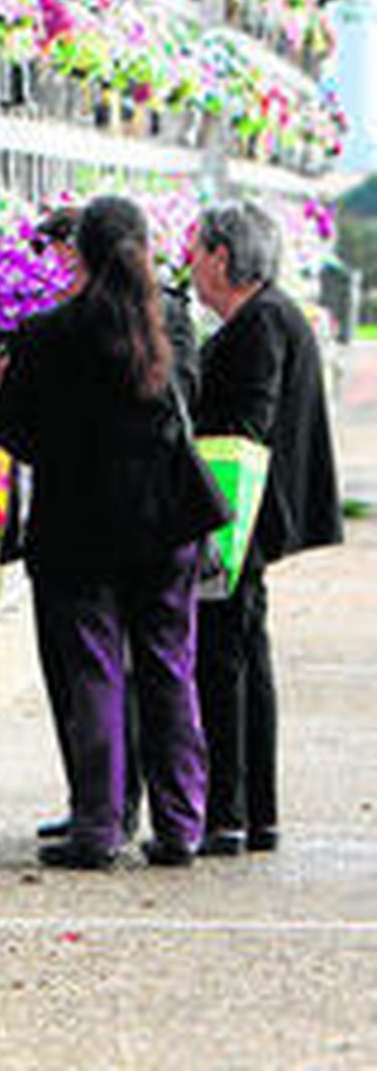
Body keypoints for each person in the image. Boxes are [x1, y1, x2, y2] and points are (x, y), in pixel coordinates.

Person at [0, 195, 229, 869]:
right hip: (167, 521)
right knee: (169, 668)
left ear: (81, 255)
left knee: (95, 671)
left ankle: (99, 827)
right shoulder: (174, 324)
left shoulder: (44, 334)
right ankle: (182, 825)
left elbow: (17, 432)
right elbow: (190, 399)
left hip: (79, 525)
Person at [189, 202, 343, 856]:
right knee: (245, 655)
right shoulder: (270, 315)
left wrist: (207, 510)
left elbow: (247, 426)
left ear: (222, 257)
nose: (190, 264)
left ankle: (228, 812)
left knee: (225, 660)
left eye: (197, 251)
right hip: (251, 513)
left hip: (241, 515)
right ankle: (253, 813)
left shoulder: (260, 324)